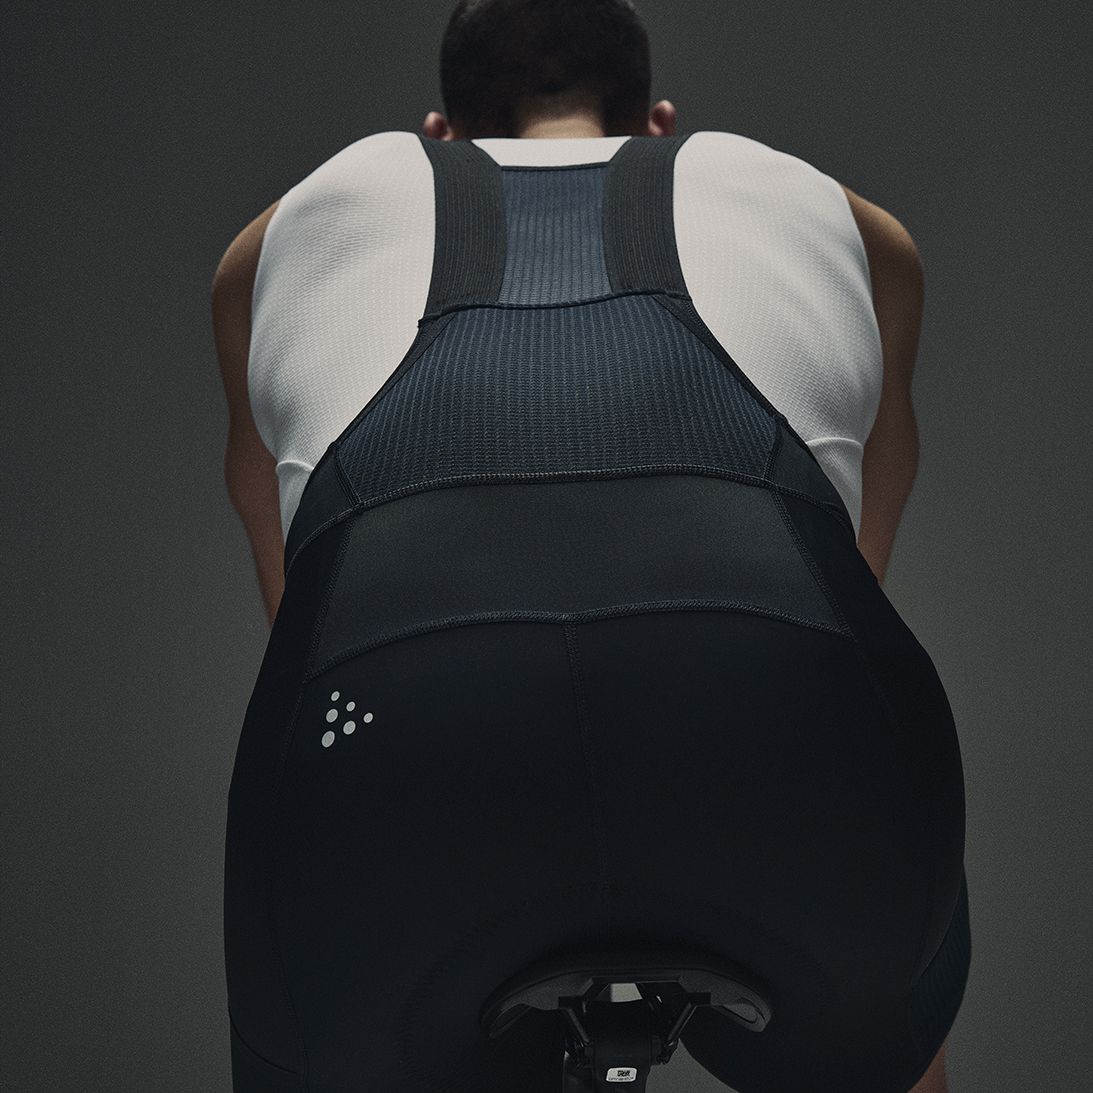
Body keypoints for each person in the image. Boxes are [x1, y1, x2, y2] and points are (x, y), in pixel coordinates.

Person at [210, 2, 969, 1091]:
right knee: (884, 1041)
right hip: (781, 715)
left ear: (439, 134)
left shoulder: (275, 239)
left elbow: (296, 604)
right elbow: (856, 567)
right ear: (658, 124)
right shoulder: (849, 224)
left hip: (398, 735)